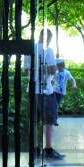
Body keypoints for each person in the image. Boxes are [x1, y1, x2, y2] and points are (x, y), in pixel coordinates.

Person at [24, 29, 64, 159]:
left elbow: (26, 71)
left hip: (31, 89)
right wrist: (51, 67)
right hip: (45, 90)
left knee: (34, 120)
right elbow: (52, 70)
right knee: (49, 120)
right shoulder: (49, 51)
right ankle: (48, 149)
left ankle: (35, 149)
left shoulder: (30, 49)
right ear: (48, 37)